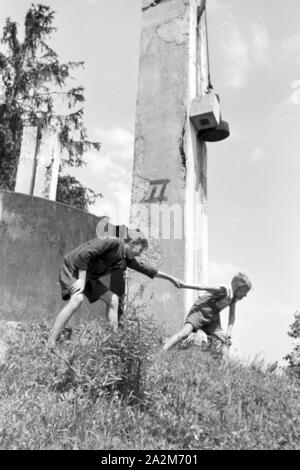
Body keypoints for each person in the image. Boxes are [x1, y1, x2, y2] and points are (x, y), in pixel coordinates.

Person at [47, 232, 181, 350]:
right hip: (74, 269)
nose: (140, 254)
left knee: (113, 300)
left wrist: (171, 279)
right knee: (77, 299)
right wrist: (81, 279)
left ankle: (113, 344)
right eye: (140, 250)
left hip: (88, 276)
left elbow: (147, 269)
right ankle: (51, 341)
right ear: (132, 243)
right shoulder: (112, 242)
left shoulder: (125, 258)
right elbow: (83, 255)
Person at [163, 272, 252, 358]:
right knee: (185, 333)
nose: (245, 295)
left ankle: (224, 368)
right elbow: (203, 287)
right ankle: (162, 352)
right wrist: (184, 285)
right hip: (200, 311)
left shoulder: (233, 299)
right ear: (239, 287)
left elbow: (232, 315)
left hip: (212, 317)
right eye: (245, 292)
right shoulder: (224, 290)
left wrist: (229, 330)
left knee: (227, 341)